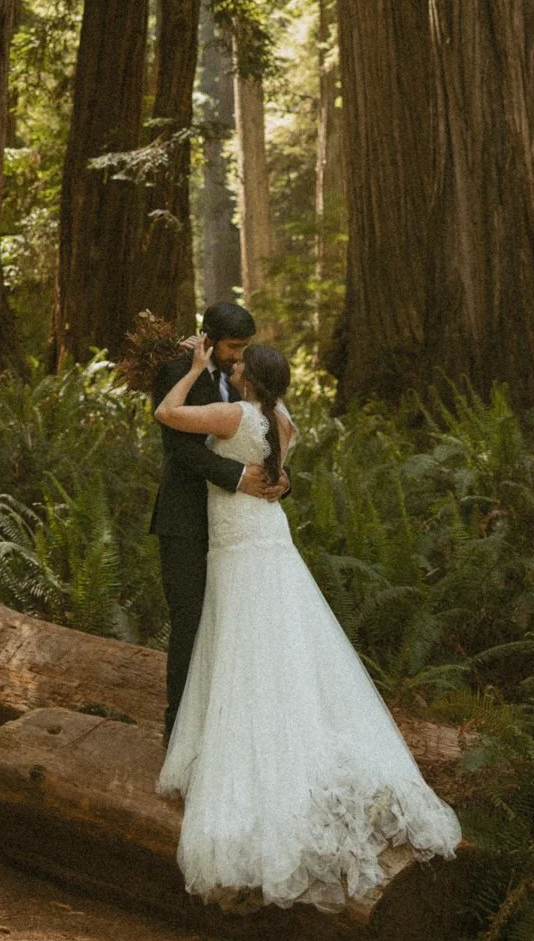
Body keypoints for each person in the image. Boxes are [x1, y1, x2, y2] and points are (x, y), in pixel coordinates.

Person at [151, 332, 460, 911]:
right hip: (268, 537)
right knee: (282, 639)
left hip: (238, 542)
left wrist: (194, 367)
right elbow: (276, 469)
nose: (232, 363)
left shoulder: (231, 413)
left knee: (239, 639)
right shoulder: (283, 419)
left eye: (240, 361)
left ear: (249, 378)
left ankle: (251, 747)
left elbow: (167, 414)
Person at [147, 301, 286, 742]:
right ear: (209, 338)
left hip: (234, 526)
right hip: (185, 520)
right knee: (189, 623)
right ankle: (179, 735)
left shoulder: (242, 380)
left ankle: (228, 730)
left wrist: (282, 479)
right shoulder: (175, 371)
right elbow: (180, 449)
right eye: (232, 347)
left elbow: (263, 437)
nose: (237, 357)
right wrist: (237, 477)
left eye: (243, 349)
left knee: (230, 625)